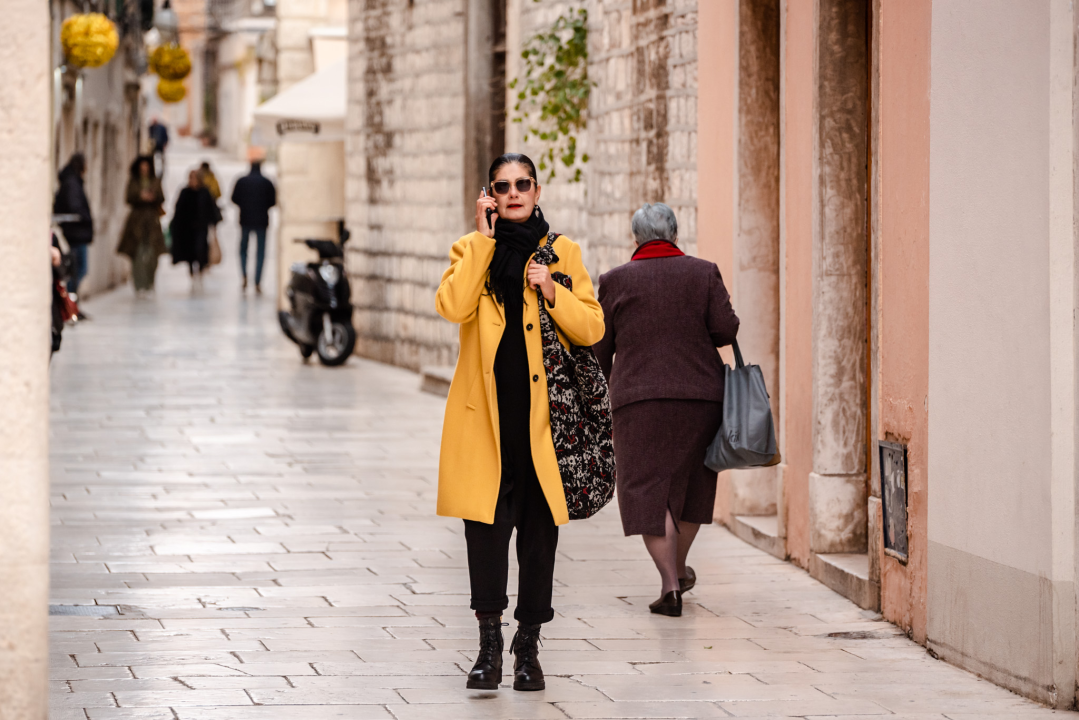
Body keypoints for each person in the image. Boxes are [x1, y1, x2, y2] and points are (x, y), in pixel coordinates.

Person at [435, 153, 604, 692]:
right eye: (502, 187)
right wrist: (484, 242)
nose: (513, 194)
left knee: (538, 540)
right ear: (489, 195)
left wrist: (551, 288)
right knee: (484, 536)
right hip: (485, 427)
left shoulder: (563, 253)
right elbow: (453, 306)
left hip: (543, 433)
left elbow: (593, 327)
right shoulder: (470, 250)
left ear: (537, 190)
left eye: (522, 185)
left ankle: (527, 649)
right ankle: (487, 649)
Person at [592, 203, 740, 618]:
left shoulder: (614, 281)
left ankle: (670, 585)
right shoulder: (703, 272)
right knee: (692, 488)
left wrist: (599, 401)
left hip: (638, 402)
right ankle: (677, 569)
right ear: (675, 233)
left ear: (635, 237)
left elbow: (600, 351)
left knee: (646, 491)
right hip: (701, 399)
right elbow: (725, 330)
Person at [117, 156, 167, 294]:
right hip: (137, 221)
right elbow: (128, 198)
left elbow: (162, 197)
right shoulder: (134, 181)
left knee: (153, 254)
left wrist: (153, 196)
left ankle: (150, 282)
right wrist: (140, 196)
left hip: (152, 221)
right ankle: (139, 285)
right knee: (137, 254)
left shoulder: (155, 181)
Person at [230, 161, 276, 293]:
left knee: (243, 249)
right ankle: (257, 280)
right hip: (261, 221)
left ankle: (244, 274)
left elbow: (234, 198)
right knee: (260, 252)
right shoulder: (266, 182)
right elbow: (273, 201)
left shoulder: (242, 181)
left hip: (245, 219)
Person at [53, 153, 93, 301]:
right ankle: (68, 299)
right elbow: (74, 206)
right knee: (78, 269)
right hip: (76, 232)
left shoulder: (73, 181)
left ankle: (70, 300)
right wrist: (86, 217)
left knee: (77, 269)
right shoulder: (72, 183)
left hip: (76, 232)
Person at [170, 170, 221, 283]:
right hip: (187, 229)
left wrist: (214, 223)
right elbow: (178, 210)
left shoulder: (205, 192)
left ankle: (201, 267)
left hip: (201, 227)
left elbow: (211, 209)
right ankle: (192, 269)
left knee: (200, 248)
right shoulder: (184, 192)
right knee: (190, 250)